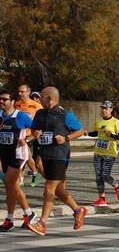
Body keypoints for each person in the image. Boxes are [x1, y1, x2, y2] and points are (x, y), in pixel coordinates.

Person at [25, 87, 87, 236]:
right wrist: (36, 133)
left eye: (42, 97)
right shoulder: (39, 113)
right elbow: (34, 130)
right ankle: (78, 211)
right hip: (45, 155)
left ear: (50, 98)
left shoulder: (64, 115)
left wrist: (65, 138)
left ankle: (42, 223)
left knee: (49, 189)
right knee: (58, 190)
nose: (39, 100)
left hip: (59, 155)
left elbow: (79, 130)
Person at [0, 90, 37, 232]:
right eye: (0, 99)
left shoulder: (20, 116)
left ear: (13, 102)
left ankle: (11, 219)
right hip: (5, 154)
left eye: (4, 99)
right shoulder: (0, 115)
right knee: (13, 187)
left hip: (18, 154)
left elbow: (37, 130)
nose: (2, 101)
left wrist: (26, 140)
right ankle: (26, 214)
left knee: (10, 185)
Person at [85, 100, 119, 206]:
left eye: (106, 108)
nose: (104, 110)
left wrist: (111, 135)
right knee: (98, 176)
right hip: (98, 152)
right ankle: (102, 199)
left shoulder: (116, 122)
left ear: (111, 109)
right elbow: (95, 133)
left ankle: (117, 186)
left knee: (105, 175)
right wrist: (87, 133)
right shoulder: (98, 121)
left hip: (109, 153)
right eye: (102, 108)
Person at [15, 84, 43, 187]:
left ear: (28, 93)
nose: (20, 93)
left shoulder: (36, 105)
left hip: (31, 134)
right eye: (19, 91)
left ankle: (25, 177)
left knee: (24, 155)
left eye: (22, 92)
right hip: (19, 134)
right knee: (25, 156)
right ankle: (33, 174)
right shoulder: (17, 104)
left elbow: (41, 120)